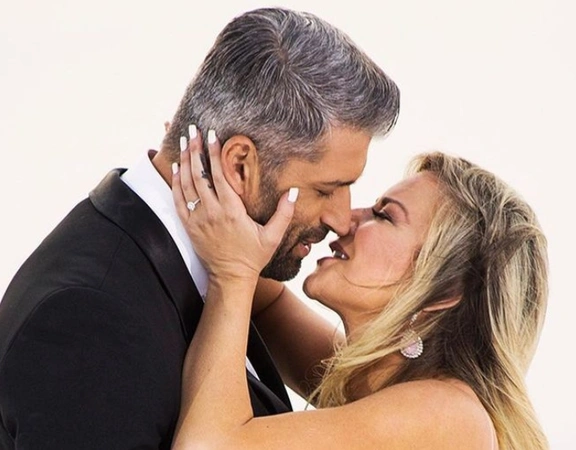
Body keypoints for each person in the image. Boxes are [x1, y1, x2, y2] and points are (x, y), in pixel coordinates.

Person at [0, 7, 400, 449]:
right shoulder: (89, 318)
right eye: (326, 190)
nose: (341, 219)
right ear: (239, 165)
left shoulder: (215, 266)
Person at [169, 132, 549, 449]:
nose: (345, 220)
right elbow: (265, 300)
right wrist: (225, 180)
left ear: (444, 290)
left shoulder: (448, 415)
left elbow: (208, 446)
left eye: (384, 215)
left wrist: (233, 273)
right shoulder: (375, 381)